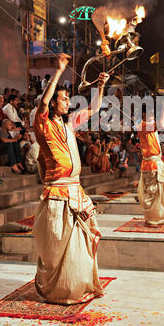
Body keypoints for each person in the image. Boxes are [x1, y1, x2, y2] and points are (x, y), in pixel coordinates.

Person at [33, 53, 109, 305]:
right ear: (53, 102)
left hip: (76, 192)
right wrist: (59, 71)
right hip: (57, 194)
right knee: (57, 247)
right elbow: (43, 102)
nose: (68, 102)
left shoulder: (68, 124)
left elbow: (95, 108)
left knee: (83, 240)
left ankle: (76, 285)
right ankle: (58, 289)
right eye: (64, 99)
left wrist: (100, 85)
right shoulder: (42, 122)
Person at [137, 98, 164, 227]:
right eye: (150, 113)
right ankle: (152, 219)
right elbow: (160, 125)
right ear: (143, 114)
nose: (152, 115)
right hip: (150, 165)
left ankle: (157, 217)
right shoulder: (141, 125)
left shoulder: (149, 125)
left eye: (153, 112)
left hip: (156, 163)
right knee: (152, 193)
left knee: (160, 193)